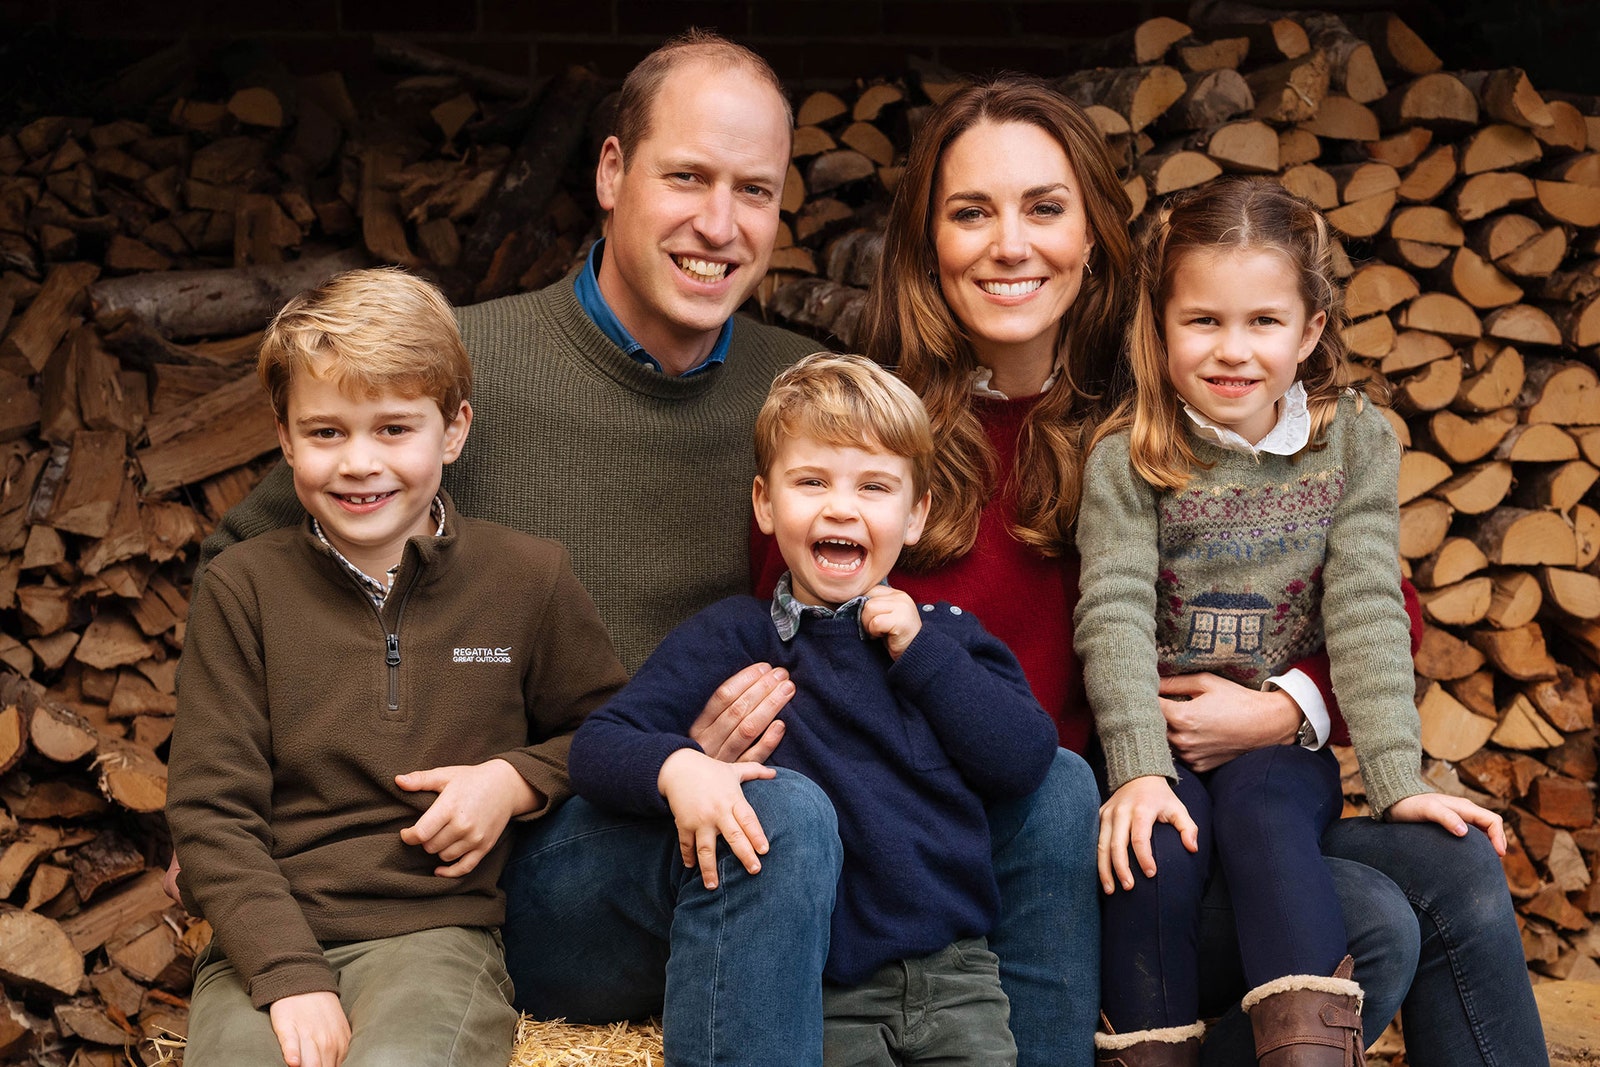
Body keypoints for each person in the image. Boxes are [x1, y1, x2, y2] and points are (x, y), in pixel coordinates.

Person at [183, 33, 1100, 1067]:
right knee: (781, 815)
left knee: (1055, 787)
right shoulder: (461, 375)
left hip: (780, 819)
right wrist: (280, 808)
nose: (719, 223)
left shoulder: (802, 391)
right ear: (612, 173)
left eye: (752, 190)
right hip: (562, 848)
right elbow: (255, 562)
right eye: (687, 178)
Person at [821, 75, 1544, 1066]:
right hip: (1054, 843)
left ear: (1092, 234)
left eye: (1043, 207)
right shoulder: (872, 440)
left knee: (1454, 869)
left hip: (1218, 792)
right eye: (969, 212)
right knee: (1371, 916)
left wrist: (1285, 707)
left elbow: (1383, 604)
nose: (1010, 244)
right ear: (923, 241)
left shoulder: (1178, 395)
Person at [1074, 179, 1510, 1066]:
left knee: (1269, 814)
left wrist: (1397, 777)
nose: (1232, 351)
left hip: (1281, 756)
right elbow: (1111, 607)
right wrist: (1137, 769)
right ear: (1159, 324)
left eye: (1264, 322)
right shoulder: (1130, 455)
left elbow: (1364, 606)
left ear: (1311, 330)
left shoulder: (1352, 442)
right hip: (1162, 744)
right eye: (1202, 321)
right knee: (1153, 849)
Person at [165, 268, 629, 1067]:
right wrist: (288, 975)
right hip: (267, 940)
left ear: (452, 430)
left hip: (436, 936)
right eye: (326, 432)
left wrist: (512, 779)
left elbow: (609, 730)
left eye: (393, 429)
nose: (359, 463)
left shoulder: (528, 578)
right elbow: (211, 813)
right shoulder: (242, 589)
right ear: (284, 437)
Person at [572, 353, 1059, 1066]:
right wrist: (680, 768)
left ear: (916, 513)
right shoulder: (736, 637)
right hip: (828, 984)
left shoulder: (947, 637)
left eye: (874, 486)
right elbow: (599, 745)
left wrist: (922, 654)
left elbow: (1023, 759)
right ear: (766, 505)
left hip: (957, 979)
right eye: (812, 482)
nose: (841, 506)